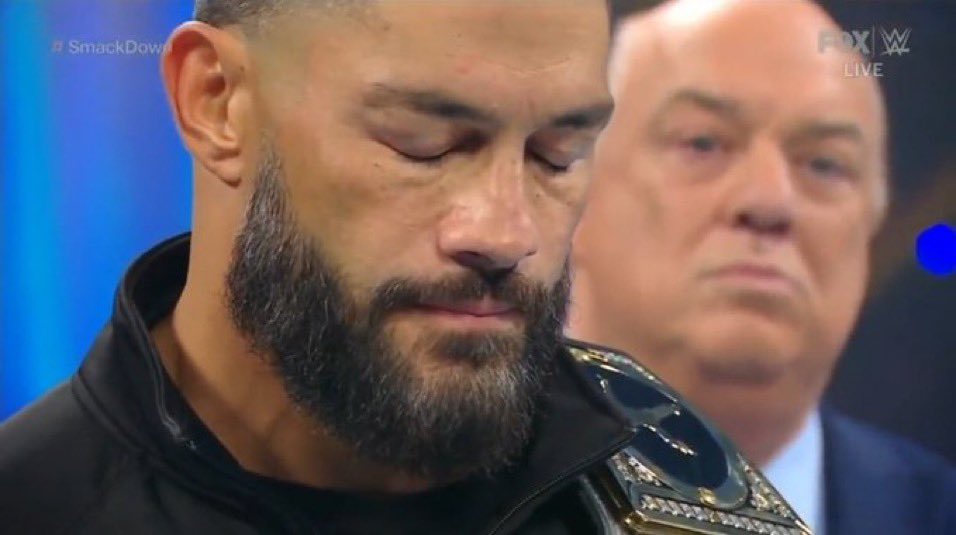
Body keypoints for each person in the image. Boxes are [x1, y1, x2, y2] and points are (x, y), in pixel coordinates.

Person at [0, 1, 808, 534]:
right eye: (425, 144)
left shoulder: (680, 482)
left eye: (557, 155)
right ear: (216, 102)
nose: (508, 233)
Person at [570, 1, 956, 534]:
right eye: (703, 143)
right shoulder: (460, 491)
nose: (769, 201)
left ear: (872, 222)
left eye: (824, 164)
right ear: (574, 189)